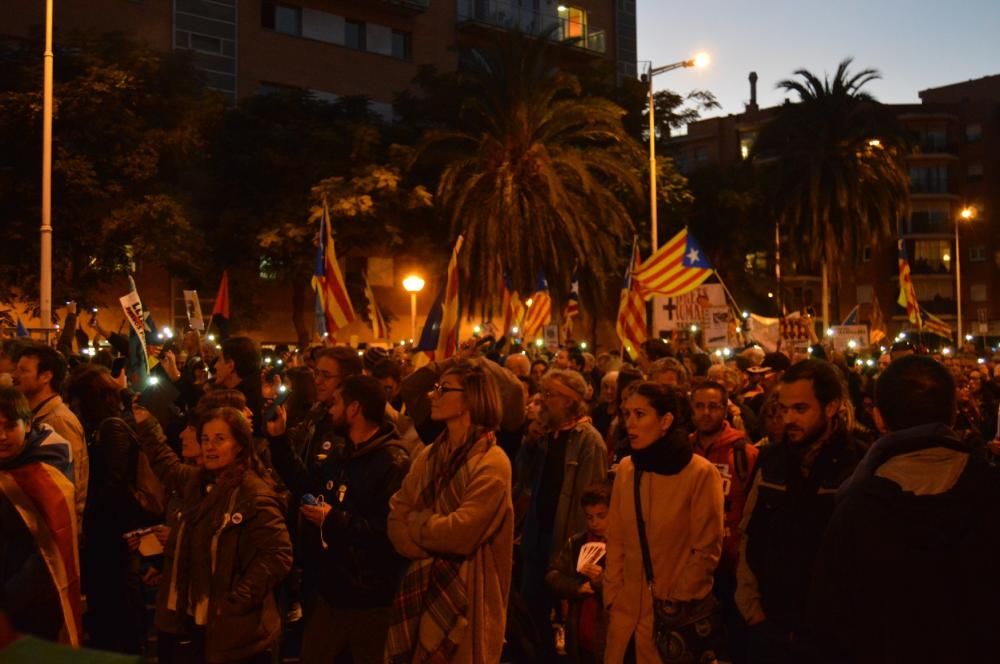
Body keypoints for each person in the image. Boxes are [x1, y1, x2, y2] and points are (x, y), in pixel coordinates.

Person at [808, 355, 1000, 662]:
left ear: (880, 417)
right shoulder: (990, 489)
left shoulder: (858, 505)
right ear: (952, 412)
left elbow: (830, 617)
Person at [266, 376, 410, 664]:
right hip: (331, 590)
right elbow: (310, 487)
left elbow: (391, 532)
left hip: (369, 599)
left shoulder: (393, 463)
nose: (329, 410)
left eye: (336, 403)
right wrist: (279, 441)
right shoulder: (345, 451)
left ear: (354, 408)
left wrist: (334, 520)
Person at [134, 406, 292, 663]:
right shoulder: (198, 482)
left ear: (239, 445)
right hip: (196, 619)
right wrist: (147, 426)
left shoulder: (254, 495)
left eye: (220, 439)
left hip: (236, 633)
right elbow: (167, 466)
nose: (210, 447)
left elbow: (278, 555)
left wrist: (237, 601)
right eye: (205, 439)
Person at [386, 361, 514, 664]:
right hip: (421, 594)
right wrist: (426, 532)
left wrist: (416, 524)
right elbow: (395, 514)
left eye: (443, 389)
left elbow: (459, 534)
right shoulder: (429, 455)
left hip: (467, 602)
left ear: (470, 399)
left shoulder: (493, 463)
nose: (434, 396)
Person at [736, 359, 863, 663]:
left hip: (834, 638)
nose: (788, 419)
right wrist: (753, 612)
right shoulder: (772, 462)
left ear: (831, 407)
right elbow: (748, 536)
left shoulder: (858, 466)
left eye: (800, 409)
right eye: (784, 409)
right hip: (773, 631)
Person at [603, 382, 724, 663]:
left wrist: (677, 599)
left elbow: (706, 550)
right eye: (627, 414)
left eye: (640, 415)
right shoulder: (627, 470)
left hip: (671, 624)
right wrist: (613, 593)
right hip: (625, 619)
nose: (630, 423)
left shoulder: (700, 473)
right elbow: (616, 537)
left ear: (665, 421)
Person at [65, 366, 156, 654]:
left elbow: (115, 482)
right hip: (108, 530)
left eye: (77, 401)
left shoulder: (111, 427)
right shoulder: (101, 426)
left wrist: (87, 514)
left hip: (113, 532)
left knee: (118, 600)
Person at [518, 369, 607, 653]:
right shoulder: (546, 435)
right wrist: (529, 445)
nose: (542, 401)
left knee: (563, 619)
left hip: (564, 544)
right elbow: (522, 480)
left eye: (550, 395)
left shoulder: (587, 440)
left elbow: (588, 504)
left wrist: (575, 556)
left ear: (570, 400)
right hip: (536, 538)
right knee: (531, 611)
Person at [0, 387, 81, 646]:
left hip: (32, 604)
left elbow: (49, 553)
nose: (1, 436)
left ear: (28, 424)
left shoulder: (47, 468)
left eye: (10, 426)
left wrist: (5, 601)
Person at [690, 380, 758, 664]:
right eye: (700, 406)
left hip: (731, 566)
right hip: (692, 565)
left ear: (725, 409)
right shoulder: (682, 451)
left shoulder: (745, 454)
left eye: (713, 406)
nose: (706, 413)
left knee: (734, 642)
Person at [13, 344, 87, 528]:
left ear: (46, 376)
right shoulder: (35, 415)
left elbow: (71, 485)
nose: (15, 376)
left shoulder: (58, 421)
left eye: (23, 371)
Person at [545, 483, 611, 664]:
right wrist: (577, 588)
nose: (594, 523)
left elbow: (629, 593)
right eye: (589, 517)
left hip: (608, 639)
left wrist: (600, 581)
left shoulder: (623, 547)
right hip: (578, 636)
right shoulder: (577, 543)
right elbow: (552, 576)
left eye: (601, 516)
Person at [212, 336, 264, 434]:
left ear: (230, 365)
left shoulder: (238, 403)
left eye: (219, 360)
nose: (215, 366)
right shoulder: (254, 392)